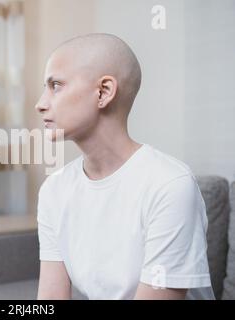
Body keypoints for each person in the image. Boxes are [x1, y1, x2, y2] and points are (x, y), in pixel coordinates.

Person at [35, 33, 214, 300]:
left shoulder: (170, 185)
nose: (40, 103)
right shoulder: (54, 189)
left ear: (104, 92)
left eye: (56, 85)